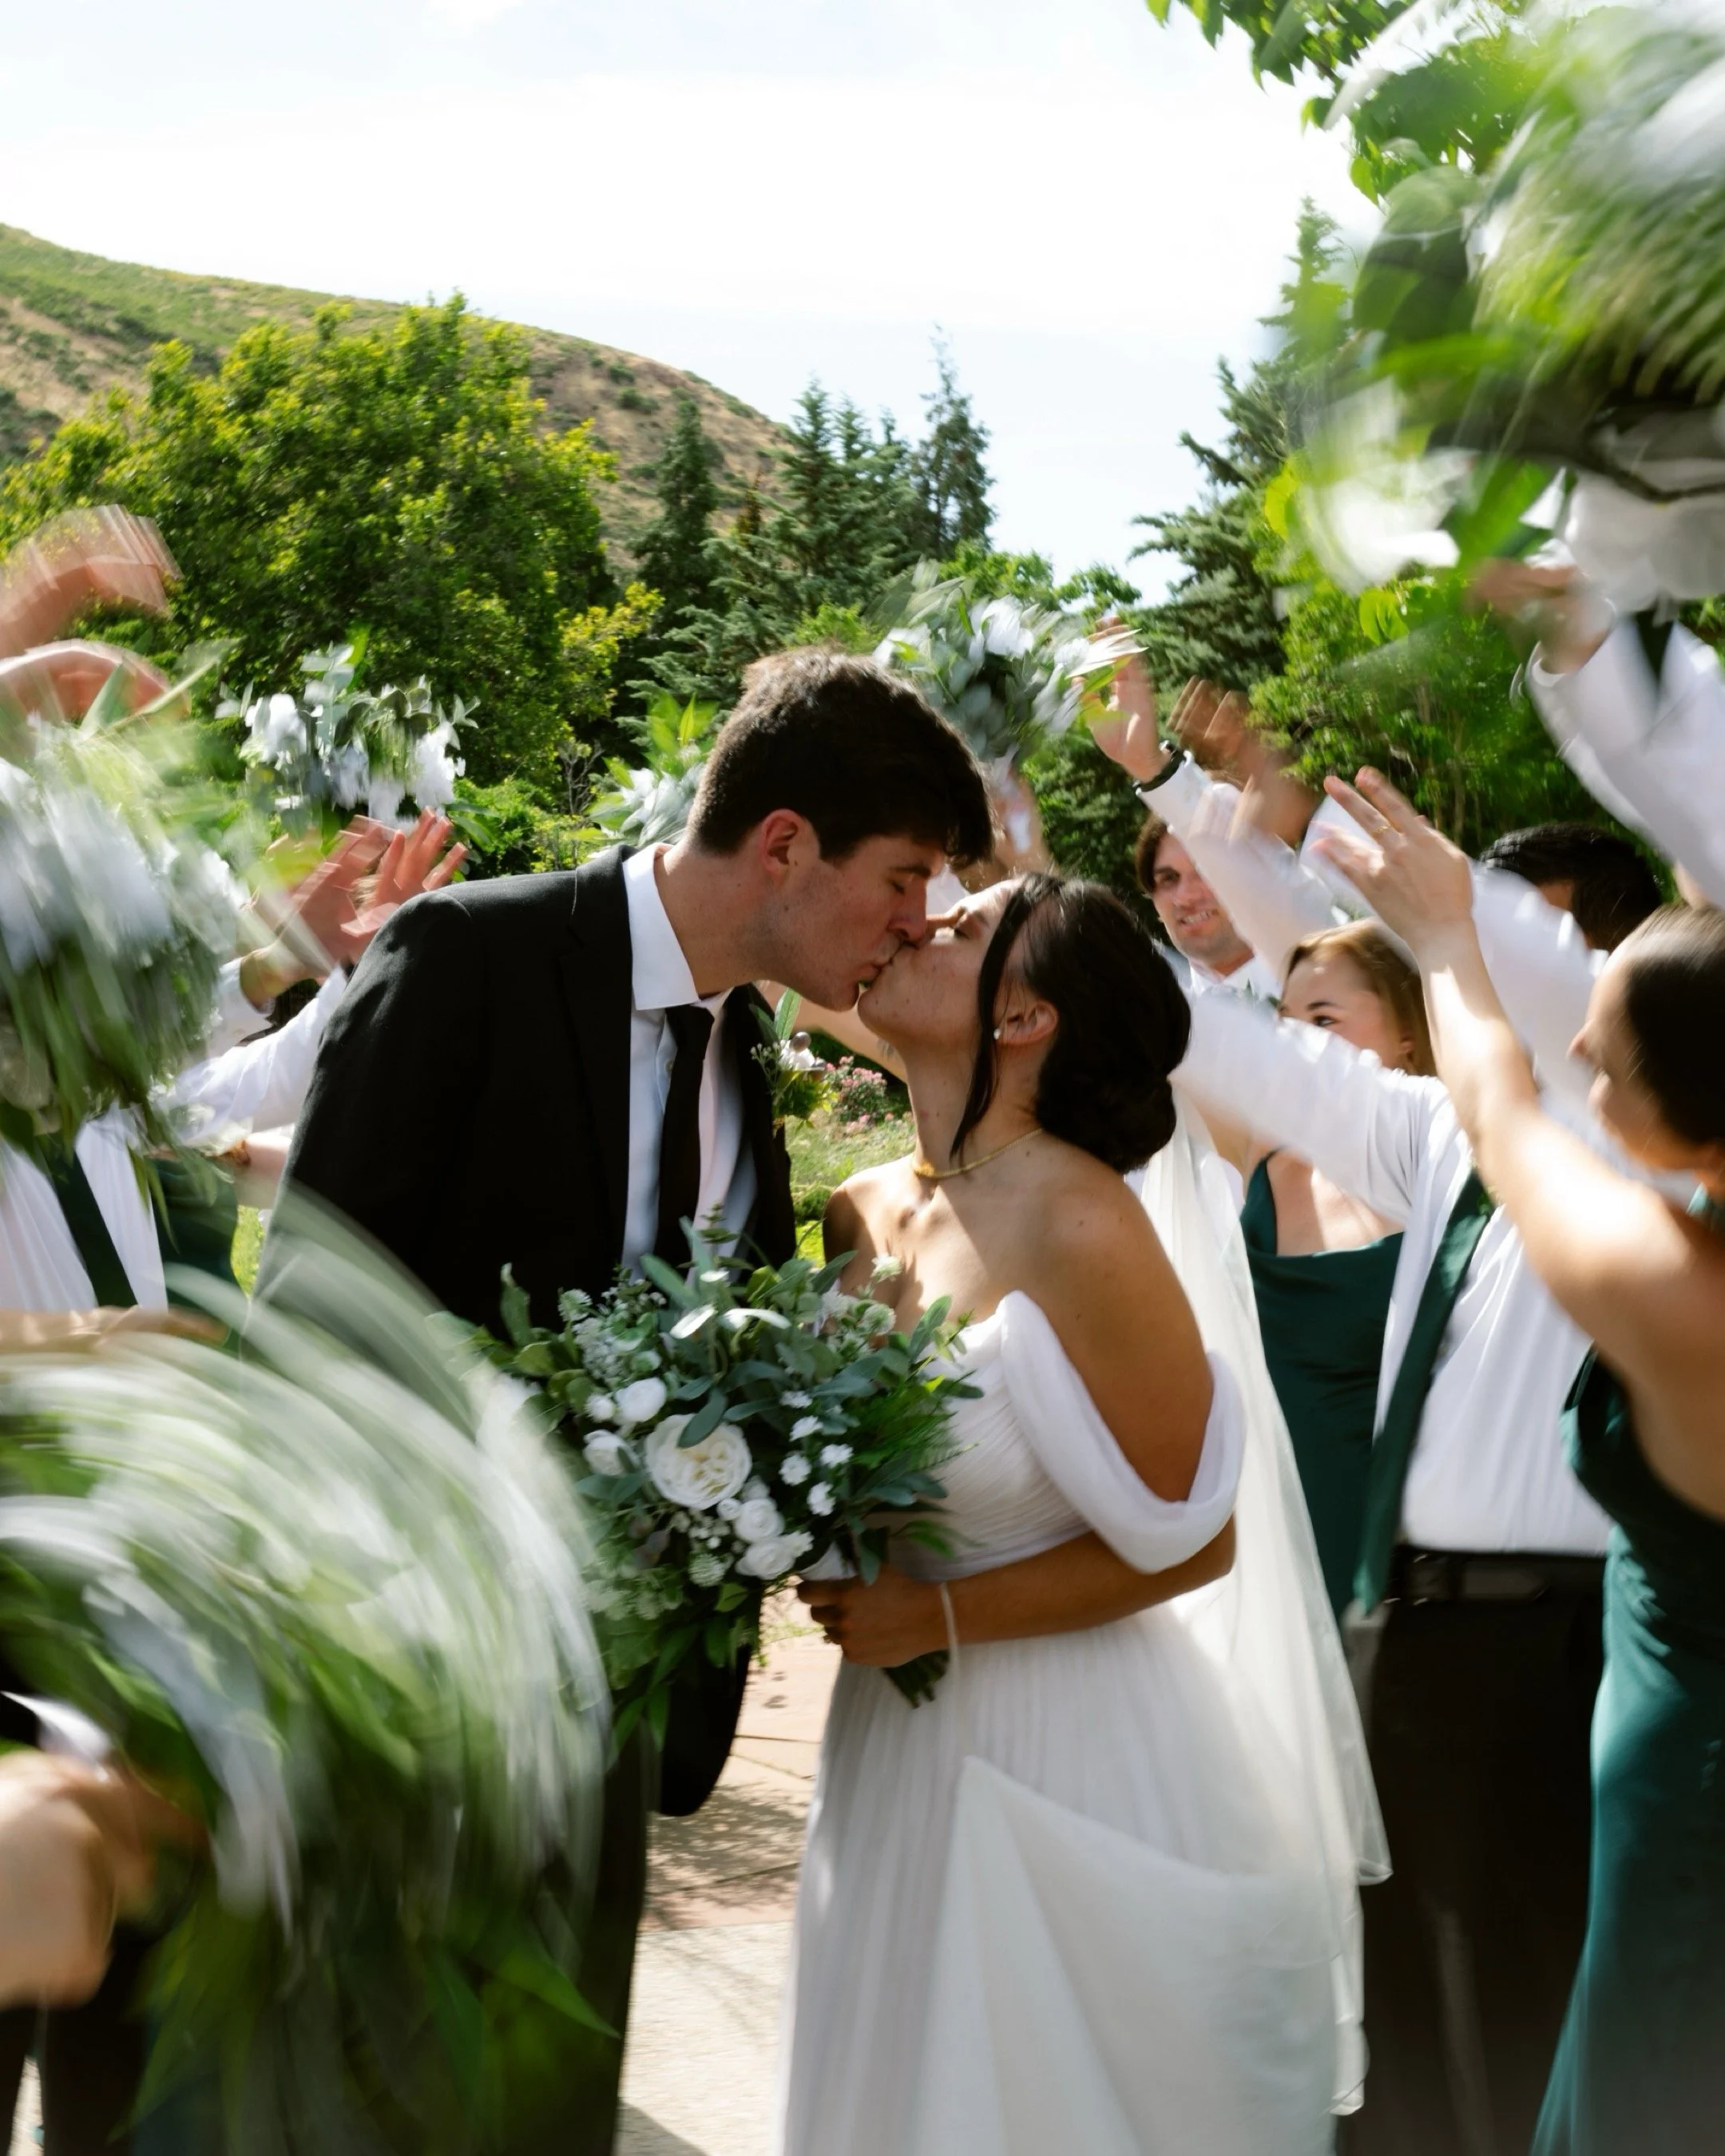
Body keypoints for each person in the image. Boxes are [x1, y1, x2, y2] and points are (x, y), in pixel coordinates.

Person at [265, 648, 994, 2156]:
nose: (919, 920)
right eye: (907, 874)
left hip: (612, 1717)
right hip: (416, 1688)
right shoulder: (469, 954)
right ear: (785, 844)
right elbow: (315, 1319)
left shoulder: (751, 1048)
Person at [783, 874, 1382, 2156]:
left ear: (1024, 1018)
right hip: (892, 1739)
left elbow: (1197, 1536)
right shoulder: (861, 1210)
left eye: (949, 930)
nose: (910, 929)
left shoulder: (1080, 1219)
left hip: (1060, 1746)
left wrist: (935, 1611)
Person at [1318, 766, 1725, 2156]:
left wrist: (1449, 943)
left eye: (1600, 1060)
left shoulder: (1674, 1289)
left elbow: (1495, 1106)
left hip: (1687, 1797)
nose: (1581, 1076)